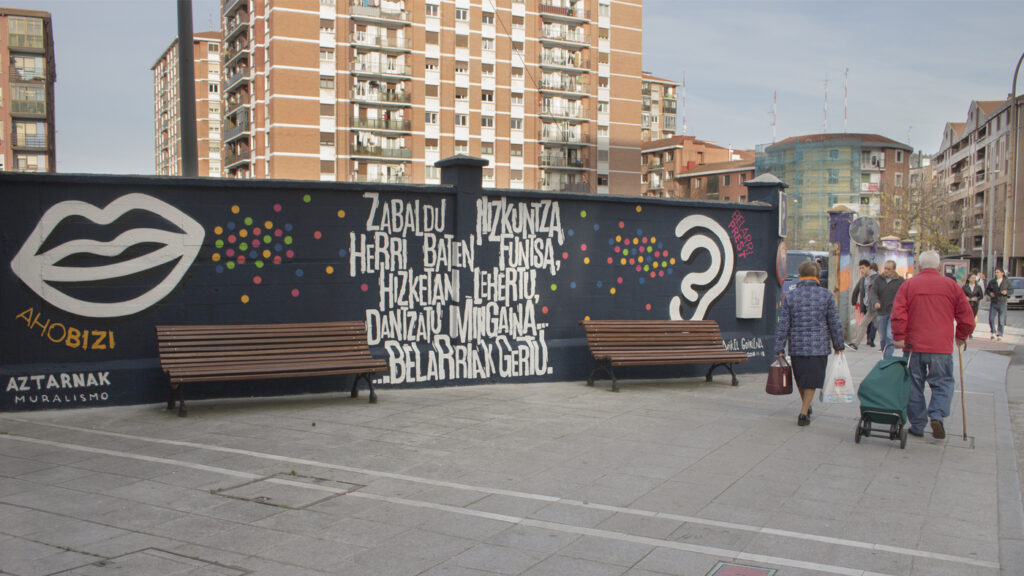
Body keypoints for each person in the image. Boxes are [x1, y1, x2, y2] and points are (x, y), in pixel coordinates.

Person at [891, 250, 976, 439]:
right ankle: (937, 415)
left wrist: (899, 336)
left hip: (913, 346)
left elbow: (898, 313)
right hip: (941, 347)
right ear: (939, 267)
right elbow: (967, 317)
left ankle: (918, 425)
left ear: (919, 267)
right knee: (943, 382)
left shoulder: (908, 285)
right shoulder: (951, 286)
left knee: (913, 384)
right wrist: (961, 335)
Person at [774, 260, 845, 426]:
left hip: (797, 345)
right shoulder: (826, 295)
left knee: (801, 378)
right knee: (812, 379)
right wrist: (838, 344)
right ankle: (804, 412)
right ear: (817, 275)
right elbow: (834, 322)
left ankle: (806, 405)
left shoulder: (790, 296)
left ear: (800, 275)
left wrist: (779, 347)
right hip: (819, 346)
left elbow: (783, 323)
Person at [870, 259, 904, 358]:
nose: (886, 271)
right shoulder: (878, 279)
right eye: (885, 268)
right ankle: (885, 352)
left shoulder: (900, 281)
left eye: (889, 269)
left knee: (890, 335)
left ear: (894, 270)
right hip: (881, 312)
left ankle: (888, 356)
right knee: (883, 337)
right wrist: (875, 301)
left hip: (893, 312)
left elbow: (904, 295)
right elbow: (873, 292)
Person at [848, 260, 878, 350]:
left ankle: (856, 344)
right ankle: (888, 344)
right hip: (868, 306)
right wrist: (854, 300)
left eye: (863, 268)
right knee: (878, 326)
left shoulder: (876, 278)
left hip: (874, 306)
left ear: (868, 267)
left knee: (863, 324)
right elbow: (857, 290)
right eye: (860, 268)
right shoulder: (863, 279)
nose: (861, 270)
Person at [986, 267, 1013, 341]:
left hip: (1002, 303)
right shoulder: (992, 281)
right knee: (991, 319)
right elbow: (987, 290)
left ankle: (1000, 334)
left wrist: (1006, 292)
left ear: (1002, 273)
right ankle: (993, 333)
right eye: (995, 272)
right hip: (994, 303)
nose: (996, 274)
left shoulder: (1006, 281)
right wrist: (990, 293)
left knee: (1001, 320)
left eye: (998, 272)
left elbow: (1011, 290)